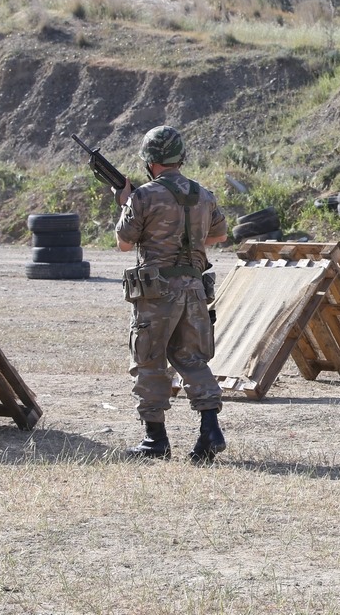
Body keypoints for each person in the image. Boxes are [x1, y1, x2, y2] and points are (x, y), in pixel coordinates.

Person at [113, 125, 229, 462]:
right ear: (180, 158)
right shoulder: (204, 194)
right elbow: (219, 236)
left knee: (149, 361)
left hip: (156, 292)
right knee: (192, 359)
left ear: (150, 161)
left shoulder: (144, 196)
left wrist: (124, 204)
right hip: (194, 288)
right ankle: (210, 430)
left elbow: (123, 243)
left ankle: (155, 439)